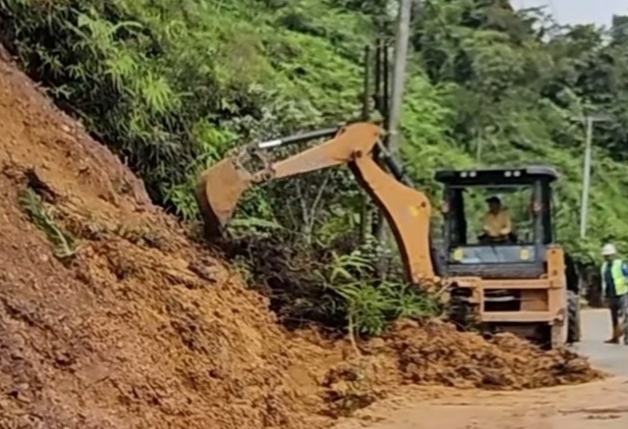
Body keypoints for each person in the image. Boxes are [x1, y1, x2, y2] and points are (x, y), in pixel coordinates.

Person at [600, 243, 628, 345]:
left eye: (609, 255)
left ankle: (626, 337)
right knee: (614, 317)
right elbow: (604, 281)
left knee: (626, 316)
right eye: (606, 256)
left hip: (622, 293)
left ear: (614, 255)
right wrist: (604, 294)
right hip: (611, 295)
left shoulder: (620, 264)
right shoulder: (604, 267)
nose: (608, 258)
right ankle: (615, 337)